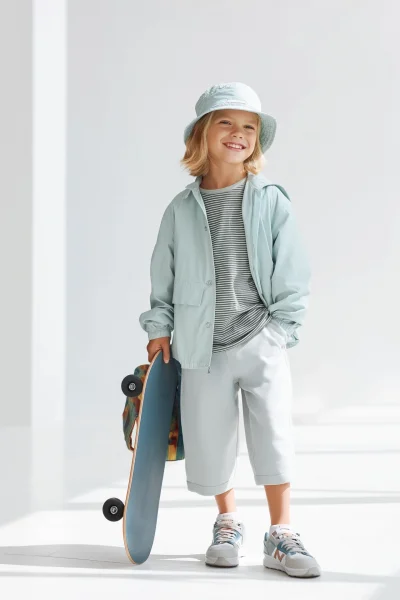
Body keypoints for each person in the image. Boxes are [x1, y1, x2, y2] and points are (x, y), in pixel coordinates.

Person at [139, 82, 321, 577]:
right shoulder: (180, 209)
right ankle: (228, 522)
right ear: (202, 132)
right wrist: (159, 328)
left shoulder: (271, 200)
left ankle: (281, 532)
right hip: (201, 348)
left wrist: (281, 331)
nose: (238, 134)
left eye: (249, 127)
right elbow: (163, 276)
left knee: (273, 434)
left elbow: (293, 270)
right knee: (211, 437)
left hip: (261, 336)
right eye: (226, 122)